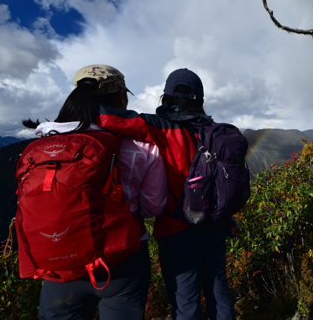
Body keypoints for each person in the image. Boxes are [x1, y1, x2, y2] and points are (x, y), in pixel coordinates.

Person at [22, 64, 167, 320]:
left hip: (60, 262)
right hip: (122, 261)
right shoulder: (141, 146)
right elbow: (154, 207)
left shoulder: (44, 143)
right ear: (120, 96)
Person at [94, 68, 235, 320]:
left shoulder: (156, 127)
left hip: (176, 230)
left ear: (166, 97)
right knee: (219, 291)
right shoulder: (213, 130)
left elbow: (107, 118)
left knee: (185, 303)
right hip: (216, 225)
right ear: (200, 100)